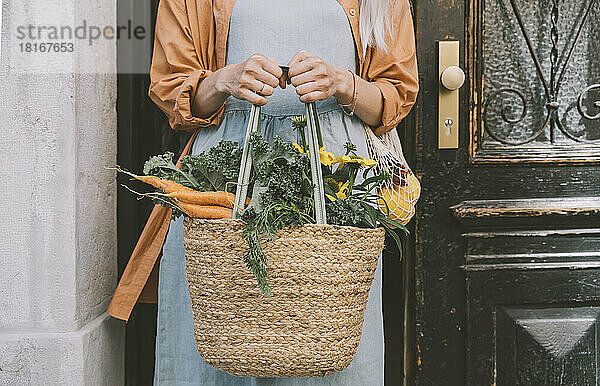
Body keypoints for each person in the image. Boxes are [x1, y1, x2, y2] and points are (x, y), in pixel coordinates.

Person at [110, 0, 418, 384]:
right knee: (222, 317)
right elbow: (173, 92)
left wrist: (343, 83)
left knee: (324, 330)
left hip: (335, 179)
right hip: (226, 176)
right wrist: (225, 80)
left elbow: (396, 98)